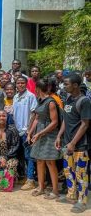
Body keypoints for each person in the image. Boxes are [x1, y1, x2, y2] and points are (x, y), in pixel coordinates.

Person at [55, 73, 91, 213]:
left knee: (81, 174)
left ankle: (82, 201)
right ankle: (71, 195)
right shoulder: (68, 99)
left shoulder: (84, 101)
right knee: (69, 172)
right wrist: (59, 136)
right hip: (67, 143)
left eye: (66, 84)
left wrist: (73, 142)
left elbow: (85, 124)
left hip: (80, 145)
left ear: (75, 85)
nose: (64, 86)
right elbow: (65, 119)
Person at [28, 78, 61, 199]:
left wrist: (39, 133)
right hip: (39, 133)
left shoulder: (51, 102)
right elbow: (37, 118)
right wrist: (30, 132)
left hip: (49, 134)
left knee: (50, 162)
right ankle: (41, 187)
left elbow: (54, 122)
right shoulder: (39, 100)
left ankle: (55, 191)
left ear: (37, 89)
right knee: (40, 160)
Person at [13, 76, 38, 190]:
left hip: (27, 131)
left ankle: (31, 180)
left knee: (29, 156)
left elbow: (34, 113)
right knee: (21, 156)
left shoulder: (30, 96)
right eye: (18, 83)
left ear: (26, 84)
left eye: (23, 83)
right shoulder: (15, 96)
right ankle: (25, 176)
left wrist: (29, 130)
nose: (20, 85)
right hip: (17, 131)